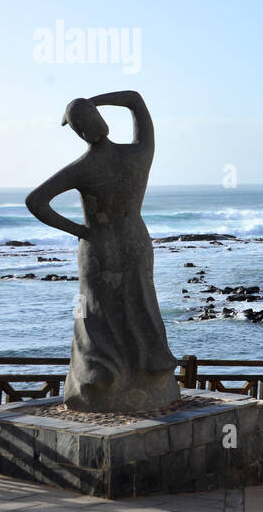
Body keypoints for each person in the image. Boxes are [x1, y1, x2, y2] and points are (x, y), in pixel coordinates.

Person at [25, 92, 179, 412]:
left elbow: (35, 202)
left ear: (81, 133)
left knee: (95, 313)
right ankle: (153, 362)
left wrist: (80, 231)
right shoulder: (140, 154)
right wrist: (96, 100)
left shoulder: (82, 168)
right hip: (135, 241)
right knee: (141, 300)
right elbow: (136, 100)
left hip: (99, 247)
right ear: (103, 122)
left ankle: (100, 375)